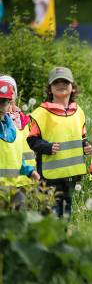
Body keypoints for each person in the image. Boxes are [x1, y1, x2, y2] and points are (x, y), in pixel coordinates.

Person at [28, 67, 92, 218]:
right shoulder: (41, 113)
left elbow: (81, 137)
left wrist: (86, 146)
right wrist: (47, 147)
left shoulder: (79, 112)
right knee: (50, 216)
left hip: (72, 175)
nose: (61, 84)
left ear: (73, 87)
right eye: (56, 82)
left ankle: (62, 240)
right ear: (50, 89)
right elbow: (31, 140)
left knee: (66, 215)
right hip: (49, 176)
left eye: (65, 81)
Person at [0, 80, 40, 210]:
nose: (1, 106)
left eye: (4, 102)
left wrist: (29, 171)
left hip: (14, 187)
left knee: (19, 224)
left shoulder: (13, 129)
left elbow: (15, 157)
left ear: (9, 103)